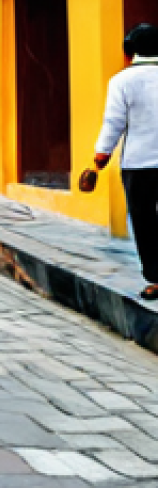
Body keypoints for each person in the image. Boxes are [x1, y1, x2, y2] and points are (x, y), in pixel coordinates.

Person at [91, 23, 158, 301]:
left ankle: (156, 279)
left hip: (138, 164)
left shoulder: (122, 81)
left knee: (145, 222)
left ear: (130, 52)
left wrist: (100, 156)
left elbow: (113, 123)